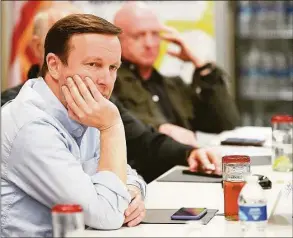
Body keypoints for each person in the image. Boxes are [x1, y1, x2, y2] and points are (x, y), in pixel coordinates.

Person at [1, 4, 222, 184]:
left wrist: (187, 155)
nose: (104, 77)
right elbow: (99, 208)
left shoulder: (94, 100)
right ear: (40, 48)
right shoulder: (17, 109)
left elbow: (137, 153)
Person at [1, 14, 147, 237]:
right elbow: (108, 215)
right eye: (93, 64)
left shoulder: (84, 108)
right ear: (54, 65)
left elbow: (127, 173)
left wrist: (134, 190)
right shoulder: (30, 126)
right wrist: (112, 127)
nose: (106, 80)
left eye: (113, 68)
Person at [113, 2, 240, 147]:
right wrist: (162, 128)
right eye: (138, 36)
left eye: (155, 34)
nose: (149, 43)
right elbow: (122, 122)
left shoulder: (174, 85)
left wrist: (200, 64)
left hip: (187, 163)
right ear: (118, 39)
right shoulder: (111, 83)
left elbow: (226, 122)